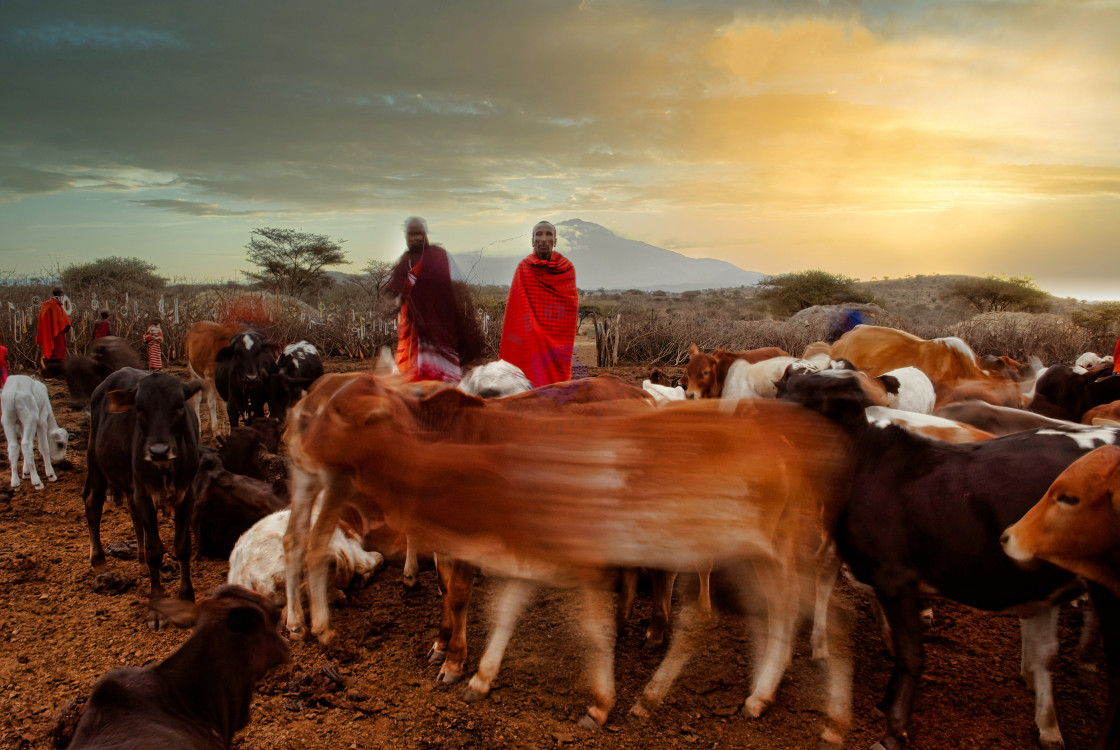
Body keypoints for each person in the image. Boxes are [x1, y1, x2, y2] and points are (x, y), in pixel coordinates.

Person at [388, 217, 482, 382]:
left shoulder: (438, 256)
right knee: (413, 380)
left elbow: (452, 289)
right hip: (413, 329)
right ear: (406, 237)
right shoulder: (404, 262)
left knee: (442, 378)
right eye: (412, 234)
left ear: (425, 234)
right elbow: (396, 290)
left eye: (419, 233)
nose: (416, 238)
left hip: (440, 327)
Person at [499, 220, 578, 387]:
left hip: (557, 339)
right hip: (530, 337)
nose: (543, 239)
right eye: (538, 234)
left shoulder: (566, 269)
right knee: (528, 383)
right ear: (532, 240)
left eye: (548, 234)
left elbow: (568, 310)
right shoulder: (524, 268)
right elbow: (517, 308)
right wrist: (535, 332)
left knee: (557, 386)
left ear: (555, 241)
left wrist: (546, 335)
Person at [36, 287, 71, 366]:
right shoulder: (56, 306)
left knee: (52, 354)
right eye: (62, 294)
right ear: (60, 295)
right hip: (57, 335)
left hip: (49, 333)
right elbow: (65, 323)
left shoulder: (45, 304)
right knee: (58, 354)